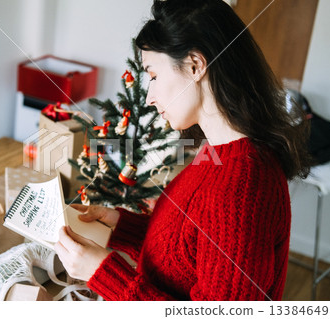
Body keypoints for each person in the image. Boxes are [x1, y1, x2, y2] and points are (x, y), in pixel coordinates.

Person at [54, 0, 312, 301]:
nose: (149, 96)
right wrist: (119, 225)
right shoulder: (215, 153)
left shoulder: (243, 186)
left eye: (153, 75)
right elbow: (188, 255)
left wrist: (104, 274)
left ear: (194, 65)